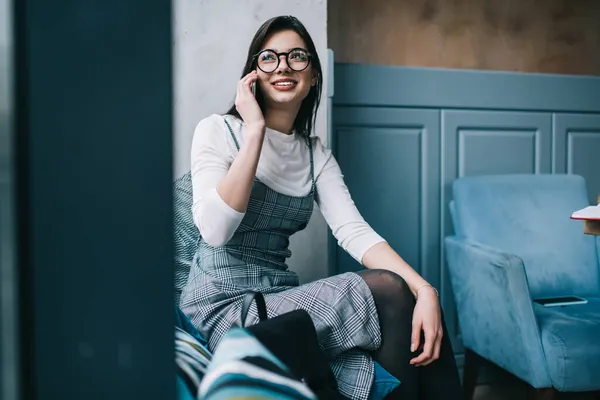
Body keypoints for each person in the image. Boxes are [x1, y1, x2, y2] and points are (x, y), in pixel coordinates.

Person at [180, 15, 462, 400]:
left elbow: (354, 232)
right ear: (253, 75)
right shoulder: (218, 130)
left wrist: (426, 289)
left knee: (413, 298)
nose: (283, 65)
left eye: (297, 56)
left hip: (279, 299)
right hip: (223, 311)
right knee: (390, 291)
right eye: (269, 58)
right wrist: (256, 130)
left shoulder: (316, 157)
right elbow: (215, 231)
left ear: (313, 75)